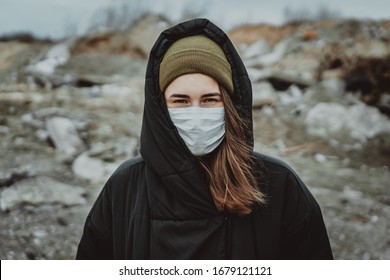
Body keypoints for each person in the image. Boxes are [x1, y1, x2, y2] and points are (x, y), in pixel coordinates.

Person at [76, 18, 333, 260]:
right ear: (160, 109)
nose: (196, 113)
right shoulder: (126, 186)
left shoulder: (278, 185)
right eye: (181, 101)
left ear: (230, 105)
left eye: (210, 99)